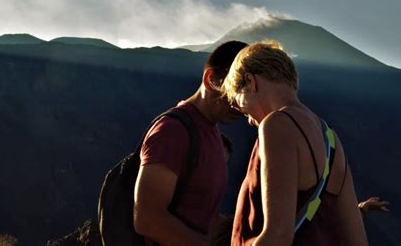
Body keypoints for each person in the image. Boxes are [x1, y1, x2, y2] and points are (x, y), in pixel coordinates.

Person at [221, 41, 369, 245]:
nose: (248, 119)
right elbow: (357, 240)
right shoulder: (331, 140)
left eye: (240, 105)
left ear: (251, 82)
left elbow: (278, 236)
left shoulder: (276, 125)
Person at [133, 41, 247, 246]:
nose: (241, 104)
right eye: (234, 91)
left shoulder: (210, 131)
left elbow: (200, 213)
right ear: (210, 79)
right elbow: (147, 219)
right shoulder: (172, 132)